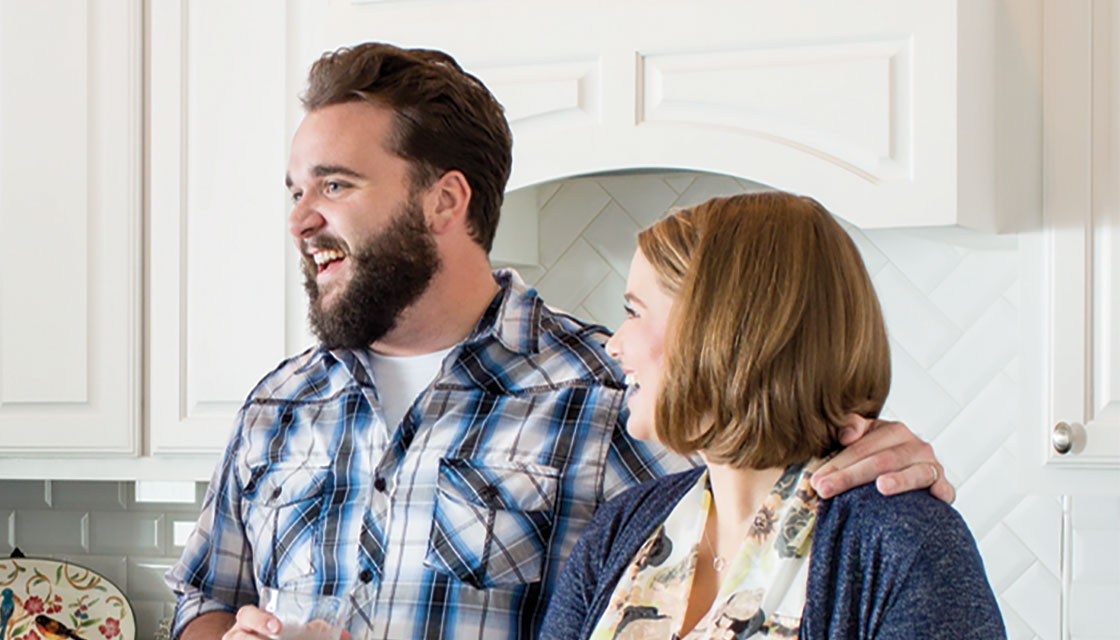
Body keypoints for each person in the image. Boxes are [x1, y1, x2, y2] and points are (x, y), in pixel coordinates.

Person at [164, 43, 955, 640]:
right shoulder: (281, 403)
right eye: (297, 189)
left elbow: (775, 493)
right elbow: (203, 600)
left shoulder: (610, 397)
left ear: (445, 200)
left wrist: (866, 460)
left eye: (335, 184)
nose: (301, 217)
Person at [538, 192, 1002, 639]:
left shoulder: (903, 542)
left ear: (723, 332)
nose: (613, 344)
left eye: (634, 313)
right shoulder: (621, 529)